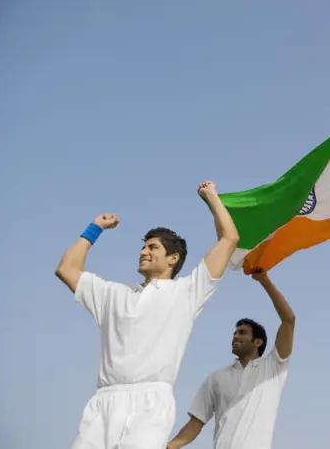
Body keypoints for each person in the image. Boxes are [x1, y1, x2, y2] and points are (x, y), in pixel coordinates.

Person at [55, 180, 239, 449]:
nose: (144, 252)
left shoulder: (187, 291)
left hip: (151, 402)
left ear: (173, 258)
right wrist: (94, 228)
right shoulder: (112, 294)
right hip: (104, 402)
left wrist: (211, 196)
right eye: (143, 247)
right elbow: (67, 270)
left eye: (153, 248)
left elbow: (229, 238)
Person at [166, 268, 295, 449]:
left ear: (257, 341)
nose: (235, 336)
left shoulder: (273, 367)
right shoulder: (216, 378)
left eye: (242, 333)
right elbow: (196, 423)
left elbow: (288, 320)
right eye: (234, 333)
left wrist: (264, 280)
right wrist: (169, 446)